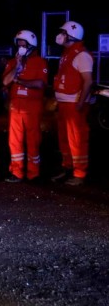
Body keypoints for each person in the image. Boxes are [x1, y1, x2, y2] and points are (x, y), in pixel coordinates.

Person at [2, 30, 48, 183]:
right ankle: (16, 172)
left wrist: (20, 81)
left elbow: (40, 83)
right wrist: (17, 66)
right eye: (18, 44)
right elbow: (5, 82)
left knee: (33, 139)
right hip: (15, 104)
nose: (20, 47)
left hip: (32, 105)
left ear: (31, 46)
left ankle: (33, 173)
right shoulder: (12, 62)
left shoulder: (40, 62)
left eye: (23, 45)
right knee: (14, 139)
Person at [51, 21, 93, 186]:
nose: (60, 35)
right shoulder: (67, 53)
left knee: (77, 139)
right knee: (64, 139)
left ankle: (79, 173)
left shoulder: (81, 55)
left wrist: (81, 103)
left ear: (71, 35)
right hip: (64, 104)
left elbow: (88, 82)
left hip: (74, 105)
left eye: (63, 32)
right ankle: (68, 168)